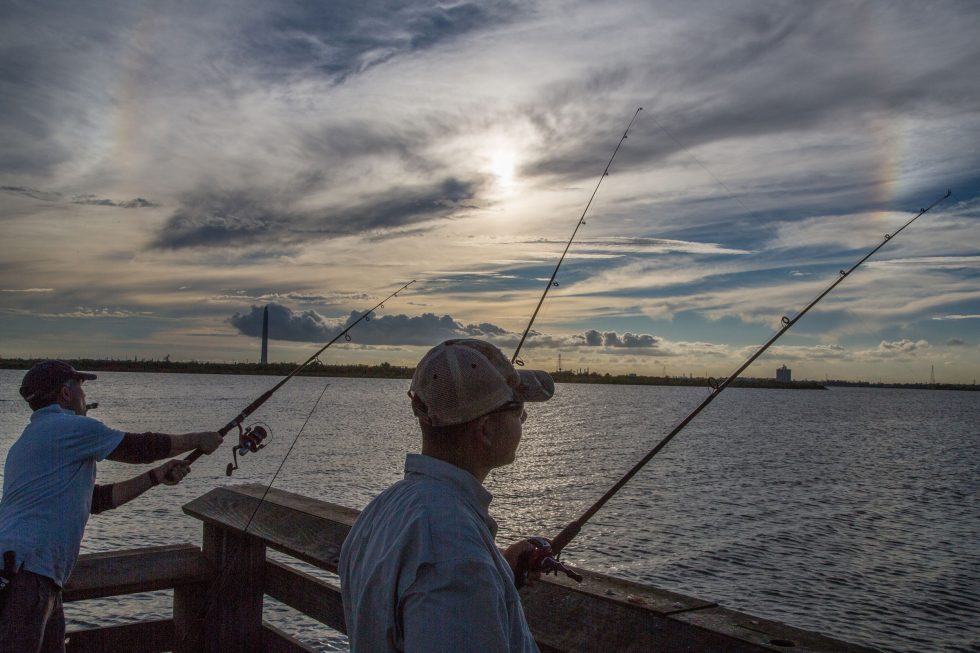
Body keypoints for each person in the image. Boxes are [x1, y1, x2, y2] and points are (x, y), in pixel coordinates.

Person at [339, 339, 555, 653]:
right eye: (518, 410)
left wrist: (497, 569)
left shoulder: (383, 508)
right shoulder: (454, 556)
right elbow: (448, 576)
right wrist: (477, 569)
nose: (523, 422)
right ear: (484, 431)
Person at [0, 360, 222, 653]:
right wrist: (198, 440)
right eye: (80, 386)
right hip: (28, 577)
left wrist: (155, 477)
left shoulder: (32, 440)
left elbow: (97, 500)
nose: (84, 394)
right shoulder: (67, 427)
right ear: (66, 394)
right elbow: (138, 448)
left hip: (35, 577)